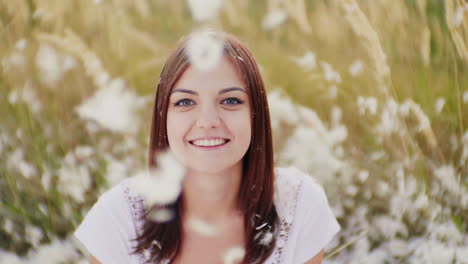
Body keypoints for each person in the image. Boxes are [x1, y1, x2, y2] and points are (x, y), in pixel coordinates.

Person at [74, 30, 340, 264]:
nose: (208, 122)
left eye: (231, 101)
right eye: (185, 103)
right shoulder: (118, 219)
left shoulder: (298, 206)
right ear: (163, 117)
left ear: (256, 114)